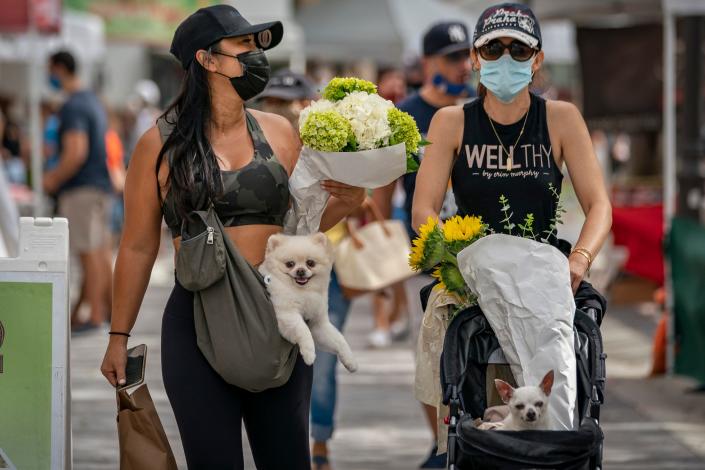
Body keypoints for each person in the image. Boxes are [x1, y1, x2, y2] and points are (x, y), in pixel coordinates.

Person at [99, 5, 364, 469]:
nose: (258, 55)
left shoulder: (281, 133)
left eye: (258, 44)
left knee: (287, 460)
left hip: (278, 315)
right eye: (244, 45)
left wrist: (350, 198)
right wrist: (118, 336)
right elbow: (138, 246)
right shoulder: (157, 144)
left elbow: (304, 226)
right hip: (198, 320)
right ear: (208, 60)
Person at [412, 0, 611, 445]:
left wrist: (578, 260)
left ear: (537, 59)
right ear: (474, 59)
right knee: (490, 417)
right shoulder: (451, 122)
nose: (506, 59)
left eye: (519, 51)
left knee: (555, 407)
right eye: (493, 49)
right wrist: (452, 260)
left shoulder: (560, 119)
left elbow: (600, 205)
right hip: (478, 284)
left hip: (548, 281)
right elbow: (423, 209)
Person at [374, 20, 475, 468]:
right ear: (430, 62)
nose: (462, 66)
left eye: (465, 57)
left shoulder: (482, 109)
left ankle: (475, 437)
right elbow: (381, 189)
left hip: (484, 249)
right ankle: (441, 444)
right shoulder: (409, 114)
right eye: (452, 58)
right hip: (431, 255)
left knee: (480, 353)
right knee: (434, 355)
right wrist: (384, 241)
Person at [259, 69, 352, 470]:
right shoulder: (254, 153)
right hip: (272, 275)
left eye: (291, 103)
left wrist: (354, 196)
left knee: (322, 363)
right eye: (273, 102)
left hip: (325, 269)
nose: (282, 110)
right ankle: (281, 444)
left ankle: (320, 442)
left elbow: (352, 204)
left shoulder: (329, 149)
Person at [44, 50, 114, 331]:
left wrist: (52, 178)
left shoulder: (73, 105)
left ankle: (96, 314)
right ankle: (102, 310)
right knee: (99, 250)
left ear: (59, 69)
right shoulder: (93, 101)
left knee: (89, 252)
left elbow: (76, 151)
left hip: (81, 187)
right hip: (99, 184)